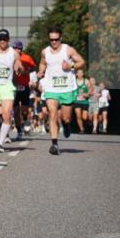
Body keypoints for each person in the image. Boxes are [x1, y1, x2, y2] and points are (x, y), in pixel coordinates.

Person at [37, 26, 86, 155]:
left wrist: (71, 65)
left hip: (67, 88)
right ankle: (54, 144)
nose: (53, 42)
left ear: (61, 38)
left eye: (56, 39)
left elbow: (82, 62)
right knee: (52, 114)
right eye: (51, 40)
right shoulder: (45, 52)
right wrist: (41, 71)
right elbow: (42, 63)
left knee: (66, 118)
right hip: (51, 87)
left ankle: (66, 125)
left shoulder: (68, 50)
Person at [11, 40, 37, 140]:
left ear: (21, 49)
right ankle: (19, 131)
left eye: (18, 48)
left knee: (25, 110)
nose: (16, 50)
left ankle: (26, 120)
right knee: (16, 111)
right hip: (14, 87)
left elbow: (33, 67)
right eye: (15, 48)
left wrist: (26, 71)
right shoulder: (10, 57)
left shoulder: (27, 58)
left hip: (24, 86)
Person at [72, 69, 92, 134]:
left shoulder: (86, 81)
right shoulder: (74, 81)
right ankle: (81, 129)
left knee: (84, 117)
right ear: (76, 74)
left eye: (81, 73)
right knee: (78, 115)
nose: (80, 74)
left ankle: (86, 124)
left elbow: (91, 89)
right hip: (76, 101)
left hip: (85, 101)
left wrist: (87, 94)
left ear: (83, 74)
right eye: (78, 73)